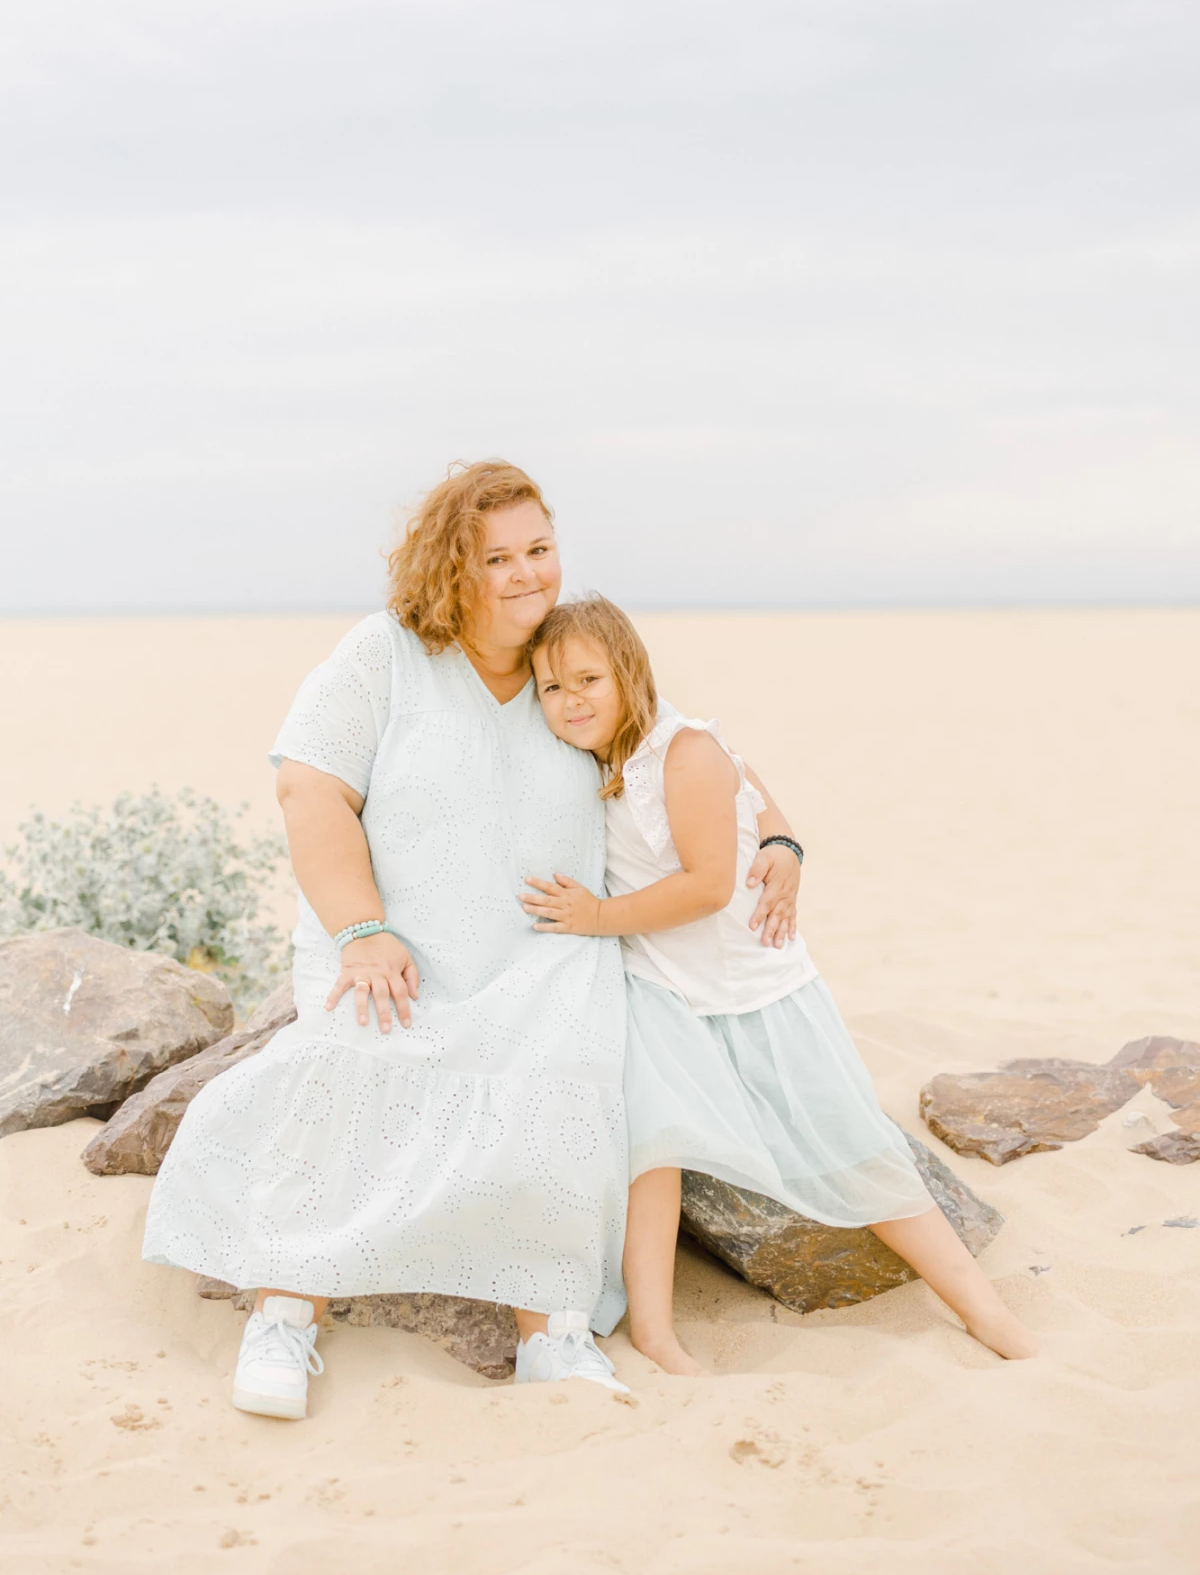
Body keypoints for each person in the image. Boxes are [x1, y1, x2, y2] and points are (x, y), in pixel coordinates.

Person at [142, 460, 802, 1416]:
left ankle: (553, 1333)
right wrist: (362, 931)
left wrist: (778, 837)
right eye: (500, 557)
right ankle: (286, 1313)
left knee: (568, 1066)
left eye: (541, 548)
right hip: (392, 944)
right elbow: (309, 788)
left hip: (543, 951)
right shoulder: (387, 655)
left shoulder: (567, 661)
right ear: (454, 566)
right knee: (354, 1057)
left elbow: (683, 750)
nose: (530, 573)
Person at [521, 595, 1039, 1376]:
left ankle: (983, 1309)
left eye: (589, 679)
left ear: (630, 673)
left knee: (852, 1145)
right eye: (552, 689)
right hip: (662, 988)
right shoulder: (594, 756)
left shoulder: (682, 750)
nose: (571, 701)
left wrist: (600, 914)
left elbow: (706, 884)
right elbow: (755, 785)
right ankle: (656, 1331)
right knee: (652, 1147)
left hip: (755, 990)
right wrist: (780, 828)